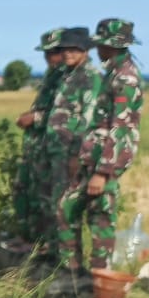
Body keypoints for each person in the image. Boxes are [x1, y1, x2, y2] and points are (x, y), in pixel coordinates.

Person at [55, 17, 142, 292]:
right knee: (68, 209)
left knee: (100, 220)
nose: (98, 50)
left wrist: (103, 172)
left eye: (101, 44)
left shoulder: (125, 78)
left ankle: (97, 282)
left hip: (105, 163)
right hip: (93, 158)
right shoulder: (113, 73)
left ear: (112, 45)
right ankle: (74, 276)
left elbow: (120, 128)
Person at [39, 27, 102, 283]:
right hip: (57, 151)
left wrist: (78, 154)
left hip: (72, 154)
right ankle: (60, 261)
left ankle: (72, 268)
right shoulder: (67, 75)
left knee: (68, 209)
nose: (67, 54)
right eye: (64, 49)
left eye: (74, 49)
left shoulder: (90, 77)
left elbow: (88, 119)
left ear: (85, 51)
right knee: (56, 206)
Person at [7, 29, 67, 255]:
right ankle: (28, 238)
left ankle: (44, 244)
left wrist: (36, 118)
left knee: (45, 197)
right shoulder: (52, 74)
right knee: (26, 192)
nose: (49, 57)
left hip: (53, 147)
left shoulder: (70, 78)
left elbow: (67, 114)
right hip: (36, 146)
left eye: (54, 52)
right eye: (46, 53)